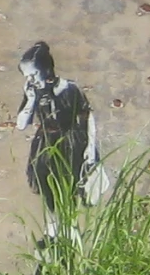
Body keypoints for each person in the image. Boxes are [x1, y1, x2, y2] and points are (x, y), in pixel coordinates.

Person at [16, 41, 107, 224]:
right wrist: (31, 100)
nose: (30, 80)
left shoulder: (70, 89)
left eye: (33, 74)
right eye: (27, 76)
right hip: (46, 144)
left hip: (70, 143)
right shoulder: (34, 93)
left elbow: (87, 117)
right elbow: (21, 124)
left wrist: (90, 148)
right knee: (46, 186)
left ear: (46, 70)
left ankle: (69, 229)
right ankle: (52, 228)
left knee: (68, 187)